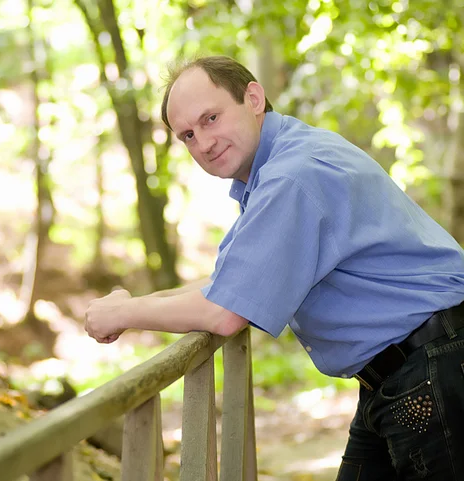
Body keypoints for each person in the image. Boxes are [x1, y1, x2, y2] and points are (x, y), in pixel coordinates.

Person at [84, 55, 464, 480]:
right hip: (400, 373)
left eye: (211, 118)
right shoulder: (273, 169)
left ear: (253, 98)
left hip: (431, 367)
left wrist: (125, 314)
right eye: (187, 134)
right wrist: (132, 301)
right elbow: (226, 286)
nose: (203, 143)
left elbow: (225, 313)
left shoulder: (291, 176)